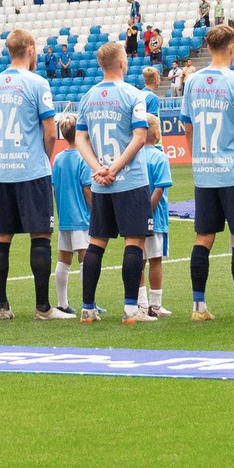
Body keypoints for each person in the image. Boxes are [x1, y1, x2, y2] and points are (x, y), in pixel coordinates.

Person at [179, 23, 234, 322]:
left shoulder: (192, 82)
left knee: (203, 236)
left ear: (208, 47)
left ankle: (198, 307)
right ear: (232, 48)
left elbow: (187, 127)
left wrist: (198, 158)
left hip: (205, 173)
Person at [0, 27, 60, 319]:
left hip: (3, 170)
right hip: (31, 170)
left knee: (1, 237)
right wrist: (43, 158)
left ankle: (2, 306)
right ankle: (42, 307)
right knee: (41, 236)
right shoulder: (38, 82)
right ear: (30, 49)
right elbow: (50, 133)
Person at [76, 40, 154, 324]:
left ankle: (87, 308)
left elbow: (80, 138)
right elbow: (140, 137)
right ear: (121, 62)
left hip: (101, 183)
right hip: (130, 181)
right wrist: (114, 168)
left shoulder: (88, 97)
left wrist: (98, 169)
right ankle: (131, 310)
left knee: (96, 243)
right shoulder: (133, 94)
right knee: (134, 242)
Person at [48, 114, 92, 322]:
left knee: (64, 258)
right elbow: (87, 189)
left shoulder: (58, 158)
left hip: (65, 215)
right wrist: (95, 211)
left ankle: (62, 302)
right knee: (85, 258)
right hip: (81, 216)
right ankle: (88, 302)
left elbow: (54, 186)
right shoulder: (84, 158)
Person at [137, 141, 174, 319]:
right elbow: (159, 188)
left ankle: (141, 302)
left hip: (135, 217)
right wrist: (148, 212)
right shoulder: (160, 157)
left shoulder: (134, 155)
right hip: (156, 218)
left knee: (138, 259)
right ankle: (155, 304)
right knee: (155, 260)